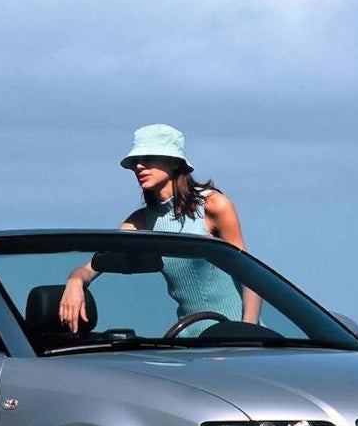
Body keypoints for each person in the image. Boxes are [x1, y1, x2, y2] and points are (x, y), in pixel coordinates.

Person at [59, 123, 261, 333]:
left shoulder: (214, 205)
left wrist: (246, 331)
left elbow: (251, 278)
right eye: (136, 161)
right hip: (189, 343)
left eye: (148, 158)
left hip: (237, 341)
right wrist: (75, 282)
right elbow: (89, 268)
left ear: (173, 162)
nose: (139, 166)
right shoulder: (139, 223)